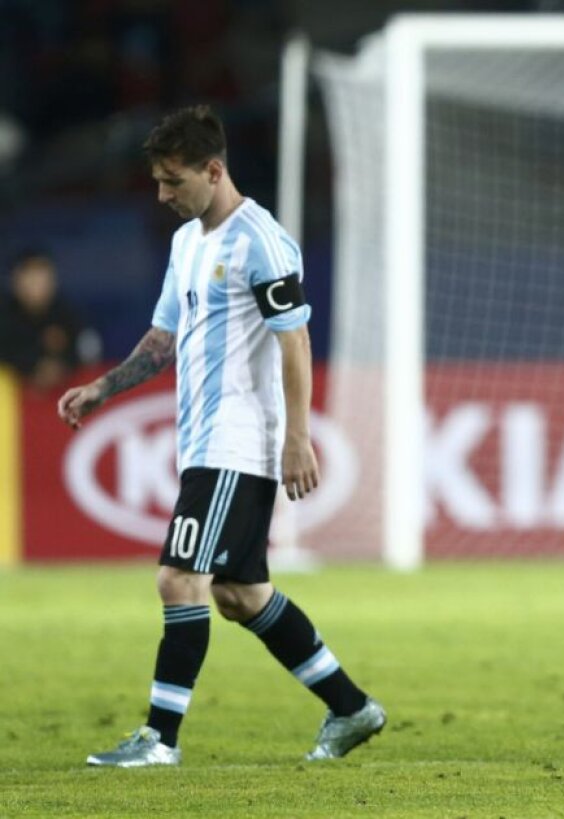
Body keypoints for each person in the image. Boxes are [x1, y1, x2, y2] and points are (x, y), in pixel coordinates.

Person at [57, 106, 386, 767]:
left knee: (179, 578)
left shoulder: (261, 240)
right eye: (157, 181)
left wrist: (298, 435)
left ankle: (159, 739)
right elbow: (164, 338)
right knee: (240, 594)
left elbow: (295, 341)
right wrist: (105, 387)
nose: (162, 195)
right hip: (202, 442)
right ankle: (351, 707)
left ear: (214, 170)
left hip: (239, 441)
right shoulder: (187, 245)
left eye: (173, 181)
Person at [0, 249, 100, 390]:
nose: (36, 284)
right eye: (30, 277)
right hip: (10, 402)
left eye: (42, 275)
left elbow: (90, 350)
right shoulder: (5, 314)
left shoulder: (66, 312)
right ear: (15, 281)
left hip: (62, 398)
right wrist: (32, 367)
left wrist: (62, 366)